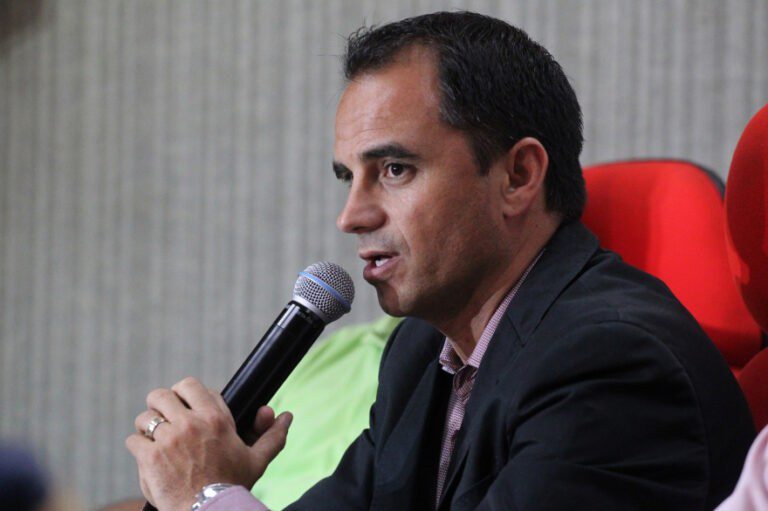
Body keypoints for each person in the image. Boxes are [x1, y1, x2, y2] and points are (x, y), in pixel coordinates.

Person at [125, 11, 755, 511]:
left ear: (518, 176)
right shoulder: (421, 353)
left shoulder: (612, 364)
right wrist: (211, 479)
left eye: (395, 169)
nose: (351, 216)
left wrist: (207, 497)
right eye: (348, 177)